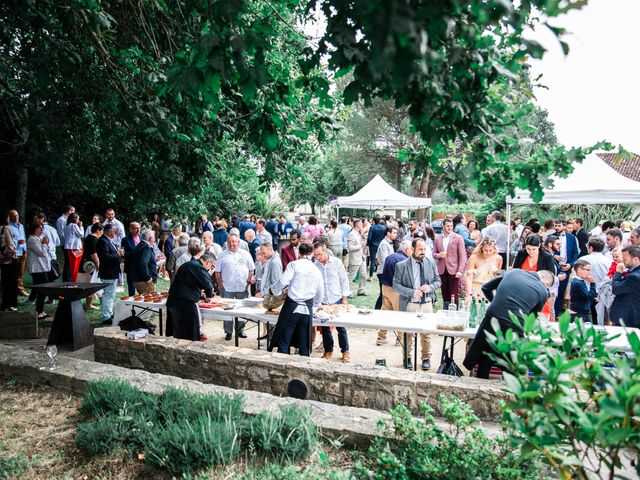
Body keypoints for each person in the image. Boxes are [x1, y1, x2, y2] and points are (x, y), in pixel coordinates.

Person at [463, 269, 553, 378]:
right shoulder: (543, 291)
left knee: (485, 355)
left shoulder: (513, 272)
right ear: (546, 283)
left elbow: (485, 287)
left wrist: (497, 303)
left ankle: (480, 386)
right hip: (515, 324)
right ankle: (508, 391)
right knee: (512, 363)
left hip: (492, 316)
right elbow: (531, 318)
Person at [393, 237, 442, 370]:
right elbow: (396, 285)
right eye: (420, 249)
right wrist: (411, 292)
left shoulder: (431, 262)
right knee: (408, 333)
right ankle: (407, 358)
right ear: (412, 249)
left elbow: (438, 281)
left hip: (426, 304)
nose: (423, 252)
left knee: (426, 333)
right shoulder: (401, 265)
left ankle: (426, 358)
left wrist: (430, 287)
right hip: (410, 304)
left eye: (425, 249)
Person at [267, 243, 324, 356]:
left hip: (291, 308)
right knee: (303, 344)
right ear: (311, 254)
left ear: (299, 253)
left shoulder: (294, 265)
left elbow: (283, 281)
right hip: (307, 310)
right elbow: (320, 292)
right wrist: (314, 305)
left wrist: (273, 291)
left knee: (284, 341)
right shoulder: (316, 269)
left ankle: (281, 369)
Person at [312, 241, 351, 363]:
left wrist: (344, 297)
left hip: (337, 299)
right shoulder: (315, 265)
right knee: (325, 328)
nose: (318, 257)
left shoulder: (337, 263)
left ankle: (345, 351)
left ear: (325, 250)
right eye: (316, 255)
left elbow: (344, 280)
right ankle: (328, 351)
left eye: (319, 254)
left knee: (341, 327)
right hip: (323, 301)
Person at [166, 251, 216, 341]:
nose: (210, 268)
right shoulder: (199, 267)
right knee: (189, 332)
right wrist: (209, 295)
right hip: (185, 303)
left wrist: (201, 295)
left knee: (178, 331)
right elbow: (208, 285)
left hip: (174, 299)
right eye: (211, 266)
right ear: (208, 262)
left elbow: (190, 282)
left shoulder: (189, 264)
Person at [215, 234, 255, 340]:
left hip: (242, 286)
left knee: (241, 309)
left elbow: (251, 269)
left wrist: (247, 283)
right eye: (230, 242)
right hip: (227, 287)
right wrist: (221, 286)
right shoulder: (222, 255)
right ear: (227, 243)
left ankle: (240, 330)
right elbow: (218, 272)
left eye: (234, 241)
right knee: (227, 310)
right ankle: (228, 332)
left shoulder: (246, 254)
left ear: (238, 242)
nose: (232, 244)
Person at [376, 239, 412, 346]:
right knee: (401, 315)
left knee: (386, 313)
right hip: (396, 290)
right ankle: (400, 339)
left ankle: (381, 337)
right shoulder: (404, 260)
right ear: (407, 249)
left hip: (385, 288)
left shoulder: (391, 256)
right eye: (411, 249)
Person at [433, 218, 466, 309]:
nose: (450, 228)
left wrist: (460, 270)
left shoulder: (458, 238)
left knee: (453, 292)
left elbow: (463, 256)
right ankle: (445, 310)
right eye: (447, 226)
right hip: (442, 269)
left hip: (454, 270)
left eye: (451, 226)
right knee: (444, 292)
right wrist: (439, 255)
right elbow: (434, 254)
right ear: (443, 226)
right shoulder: (438, 238)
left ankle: (454, 311)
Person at [96, 223, 125, 324]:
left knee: (111, 294)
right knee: (108, 294)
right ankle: (106, 316)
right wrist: (117, 254)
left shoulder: (107, 240)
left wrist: (118, 254)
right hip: (108, 272)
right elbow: (105, 258)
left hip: (112, 271)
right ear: (109, 231)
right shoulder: (103, 241)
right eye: (114, 230)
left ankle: (109, 313)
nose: (116, 232)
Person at [609, 245, 640, 328]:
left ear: (636, 259)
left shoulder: (634, 277)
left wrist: (618, 273)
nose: (622, 261)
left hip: (629, 317)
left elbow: (616, 289)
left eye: (625, 259)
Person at [26, 223, 51, 319]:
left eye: (42, 228)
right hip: (37, 268)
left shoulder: (38, 239)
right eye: (39, 228)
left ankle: (40, 310)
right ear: (34, 229)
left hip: (41, 267)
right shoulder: (32, 239)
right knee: (43, 289)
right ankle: (38, 311)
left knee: (43, 289)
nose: (42, 230)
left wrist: (45, 243)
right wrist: (44, 244)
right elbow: (41, 253)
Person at [78, 222, 103, 311]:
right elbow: (93, 253)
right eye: (101, 231)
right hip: (90, 265)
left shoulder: (88, 237)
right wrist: (98, 263)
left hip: (86, 263)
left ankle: (91, 304)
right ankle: (89, 305)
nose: (102, 234)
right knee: (91, 283)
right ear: (98, 230)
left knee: (90, 283)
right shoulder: (93, 239)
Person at [374, 226, 397, 310]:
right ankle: (376, 309)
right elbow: (385, 260)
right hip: (383, 271)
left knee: (384, 293)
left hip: (386, 271)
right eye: (394, 233)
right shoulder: (384, 243)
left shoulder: (389, 243)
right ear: (388, 233)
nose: (396, 235)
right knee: (383, 293)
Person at [131, 229, 158, 294]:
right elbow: (143, 263)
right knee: (148, 301)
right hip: (144, 281)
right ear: (150, 238)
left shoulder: (139, 245)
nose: (154, 240)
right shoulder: (146, 247)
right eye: (154, 238)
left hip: (138, 279)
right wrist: (147, 278)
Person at [1, 214, 18, 311]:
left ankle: (5, 303)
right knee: (11, 282)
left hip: (2, 258)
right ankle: (10, 304)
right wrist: (14, 251)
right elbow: (9, 242)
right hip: (9, 258)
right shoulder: (6, 228)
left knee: (5, 282)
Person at [347, 220, 367, 296]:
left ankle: (361, 290)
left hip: (361, 257)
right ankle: (347, 292)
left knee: (364, 274)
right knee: (351, 276)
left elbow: (362, 243)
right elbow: (350, 248)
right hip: (355, 258)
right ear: (358, 225)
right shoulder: (351, 234)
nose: (362, 225)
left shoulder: (359, 234)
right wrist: (360, 246)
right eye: (361, 224)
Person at [122, 222, 141, 295]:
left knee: (142, 286)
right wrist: (136, 252)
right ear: (130, 229)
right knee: (132, 287)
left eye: (139, 228)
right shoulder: (125, 240)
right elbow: (124, 254)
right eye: (136, 228)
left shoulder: (142, 237)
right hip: (131, 266)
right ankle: (131, 303)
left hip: (141, 266)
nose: (138, 230)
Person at [64, 213, 84, 282]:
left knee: (69, 265)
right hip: (75, 247)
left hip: (68, 247)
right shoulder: (74, 225)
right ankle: (73, 281)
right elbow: (81, 235)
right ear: (75, 219)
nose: (78, 220)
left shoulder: (66, 226)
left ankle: (69, 280)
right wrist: (81, 226)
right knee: (75, 265)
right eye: (78, 219)